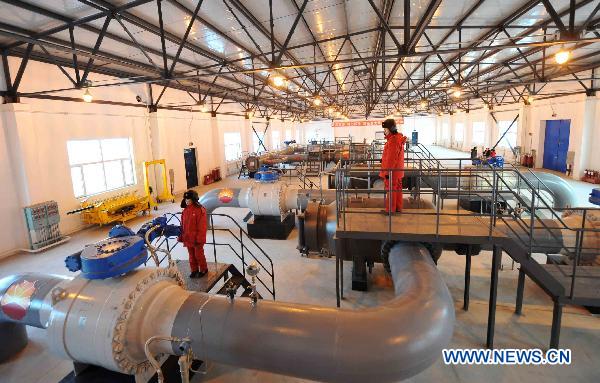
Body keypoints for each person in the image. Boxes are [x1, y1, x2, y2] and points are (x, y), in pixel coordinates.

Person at [178, 190, 208, 278]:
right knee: (191, 255)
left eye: (189, 199)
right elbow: (182, 225)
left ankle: (203, 269)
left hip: (196, 238)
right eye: (186, 199)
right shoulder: (185, 211)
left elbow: (202, 226)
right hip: (188, 238)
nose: (187, 201)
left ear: (194, 199)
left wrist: (200, 238)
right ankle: (194, 270)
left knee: (199, 255)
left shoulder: (200, 210)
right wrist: (181, 236)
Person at [379, 118, 407, 214]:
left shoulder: (393, 140)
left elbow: (391, 159)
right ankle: (397, 208)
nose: (384, 132)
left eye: (385, 129)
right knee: (397, 189)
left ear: (390, 129)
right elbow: (392, 156)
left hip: (392, 172)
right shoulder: (397, 138)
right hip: (397, 171)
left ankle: (390, 210)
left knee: (391, 190)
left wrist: (387, 172)